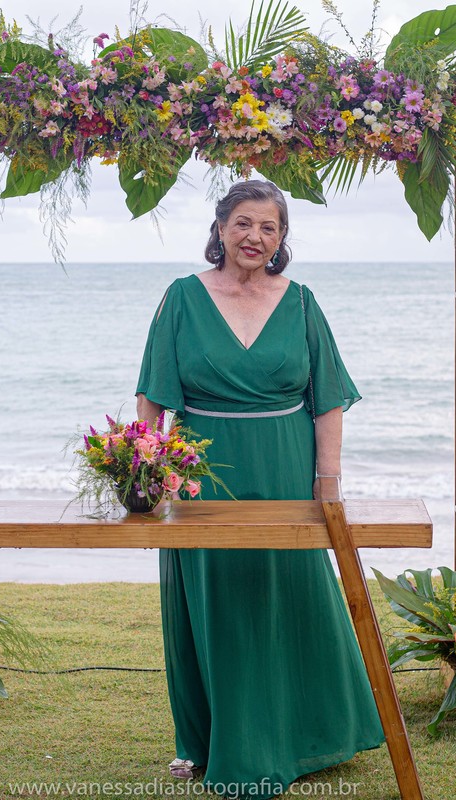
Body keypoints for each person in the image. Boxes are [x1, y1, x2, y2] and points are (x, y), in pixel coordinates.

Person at [135, 180, 383, 797]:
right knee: (218, 601)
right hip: (203, 473)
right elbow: (152, 396)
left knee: (289, 595)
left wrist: (329, 483)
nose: (255, 237)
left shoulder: (300, 302)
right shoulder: (183, 298)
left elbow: (328, 400)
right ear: (221, 229)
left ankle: (306, 735)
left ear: (281, 239)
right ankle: (217, 742)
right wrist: (141, 471)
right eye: (244, 223)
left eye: (269, 228)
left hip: (284, 468)